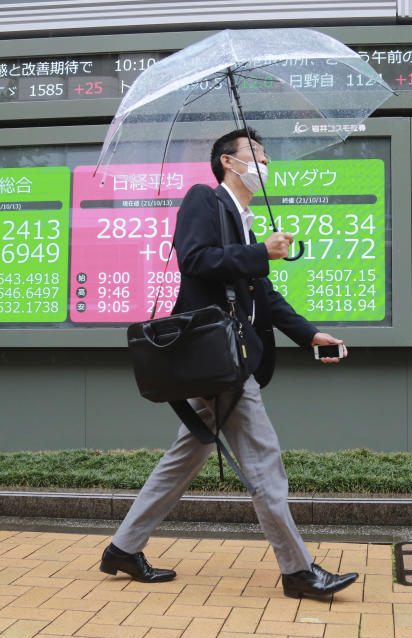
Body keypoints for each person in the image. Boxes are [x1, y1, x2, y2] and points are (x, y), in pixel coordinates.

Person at [100, 128, 359, 599]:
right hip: (220, 359)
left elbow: (264, 296)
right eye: (256, 153)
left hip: (227, 358)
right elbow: (194, 259)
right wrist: (260, 253)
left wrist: (308, 333)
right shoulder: (204, 199)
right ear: (228, 161)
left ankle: (123, 547)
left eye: (264, 153)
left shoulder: (245, 221)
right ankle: (298, 571)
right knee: (264, 462)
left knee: (184, 457)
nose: (264, 162)